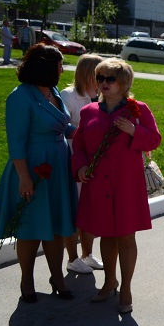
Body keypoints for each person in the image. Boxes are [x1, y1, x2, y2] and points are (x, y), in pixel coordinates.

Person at [72, 58, 162, 314]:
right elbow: (78, 146)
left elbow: (154, 139)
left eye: (110, 79)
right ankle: (109, 281)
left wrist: (134, 131)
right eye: (100, 78)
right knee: (105, 234)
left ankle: (126, 289)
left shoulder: (138, 109)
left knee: (125, 235)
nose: (103, 83)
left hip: (126, 186)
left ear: (124, 83)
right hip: (97, 184)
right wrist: (79, 168)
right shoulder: (89, 111)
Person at [0, 44, 78, 302]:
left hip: (58, 166)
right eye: (60, 65)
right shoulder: (19, 96)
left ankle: (57, 277)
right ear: (46, 67)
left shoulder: (52, 91)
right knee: (30, 226)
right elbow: (15, 142)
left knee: (57, 226)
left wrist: (89, 130)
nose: (63, 69)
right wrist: (25, 177)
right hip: (31, 168)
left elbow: (61, 125)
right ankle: (26, 280)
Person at [59, 54, 103, 274]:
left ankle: (87, 255)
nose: (104, 80)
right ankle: (72, 257)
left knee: (90, 210)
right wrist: (87, 134)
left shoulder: (100, 97)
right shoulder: (68, 96)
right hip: (74, 157)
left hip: (94, 159)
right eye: (99, 75)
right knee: (74, 209)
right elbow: (62, 126)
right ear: (88, 73)